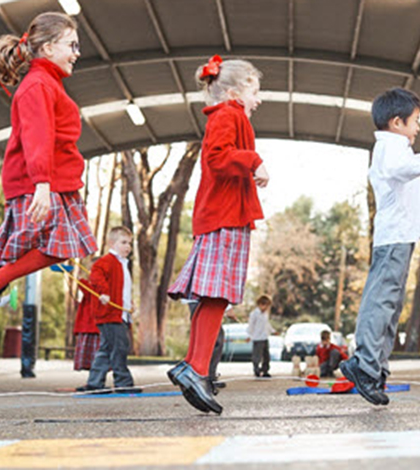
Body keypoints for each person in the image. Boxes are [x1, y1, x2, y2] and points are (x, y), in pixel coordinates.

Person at [0, 11, 98, 331]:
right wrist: (42, 184)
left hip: (55, 182)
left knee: (52, 245)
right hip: (38, 181)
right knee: (54, 246)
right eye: (72, 45)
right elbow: (38, 136)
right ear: (49, 48)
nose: (77, 53)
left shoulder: (49, 83)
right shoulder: (37, 84)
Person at [340, 87, 420, 406]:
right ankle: (364, 364)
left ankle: (375, 368)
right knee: (381, 301)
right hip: (393, 237)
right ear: (396, 122)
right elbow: (400, 171)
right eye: (415, 121)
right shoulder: (391, 148)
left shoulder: (397, 147)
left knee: (389, 304)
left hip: (401, 236)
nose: (418, 127)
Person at [167, 55, 268, 415]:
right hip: (225, 218)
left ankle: (193, 367)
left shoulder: (229, 115)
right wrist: (254, 161)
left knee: (214, 298)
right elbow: (217, 157)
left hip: (224, 217)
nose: (259, 99)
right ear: (233, 91)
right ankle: (195, 368)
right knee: (216, 295)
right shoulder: (229, 114)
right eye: (255, 90)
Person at [77, 227, 138, 393]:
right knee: (118, 347)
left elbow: (122, 288)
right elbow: (96, 276)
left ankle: (95, 383)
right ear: (112, 243)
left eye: (129, 243)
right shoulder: (106, 262)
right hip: (109, 314)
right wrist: (103, 292)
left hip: (120, 313)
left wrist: (129, 303)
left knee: (107, 348)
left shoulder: (122, 264)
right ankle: (123, 382)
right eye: (123, 242)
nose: (128, 247)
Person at [72, 255, 100, 372]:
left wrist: (80, 281)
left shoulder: (100, 284)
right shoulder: (92, 282)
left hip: (94, 324)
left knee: (96, 352)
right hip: (88, 323)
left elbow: (90, 293)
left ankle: (96, 374)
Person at [246, 295, 275, 378]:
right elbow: (251, 326)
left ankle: (265, 370)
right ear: (260, 304)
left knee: (266, 356)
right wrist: (249, 335)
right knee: (257, 356)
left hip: (264, 336)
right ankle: (257, 370)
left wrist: (273, 331)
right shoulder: (254, 314)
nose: (266, 308)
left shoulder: (265, 314)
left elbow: (267, 324)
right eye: (265, 305)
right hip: (257, 337)